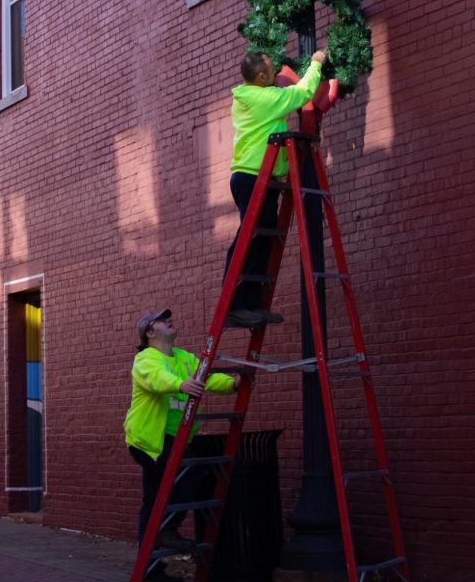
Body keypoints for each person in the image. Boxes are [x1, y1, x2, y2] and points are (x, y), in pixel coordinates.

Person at [125, 309, 238, 580]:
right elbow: (157, 379)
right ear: (150, 333)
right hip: (150, 441)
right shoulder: (146, 359)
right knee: (193, 473)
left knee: (152, 503)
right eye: (162, 320)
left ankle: (151, 572)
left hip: (174, 438)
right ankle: (168, 529)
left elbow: (207, 378)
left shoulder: (185, 358)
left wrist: (233, 384)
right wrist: (181, 385)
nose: (169, 320)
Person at [225, 49, 327, 320]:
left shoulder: (250, 96)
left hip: (256, 177)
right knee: (253, 238)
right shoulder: (263, 99)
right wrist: (316, 63)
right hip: (252, 177)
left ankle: (252, 302)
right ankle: (236, 305)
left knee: (262, 238)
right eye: (271, 71)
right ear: (260, 76)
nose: (276, 73)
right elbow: (301, 94)